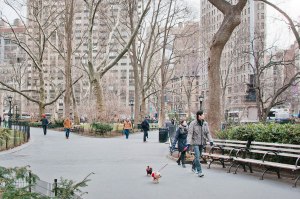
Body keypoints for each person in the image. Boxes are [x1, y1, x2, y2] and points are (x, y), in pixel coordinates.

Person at [187, 110, 213, 177]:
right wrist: (188, 142)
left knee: (198, 157)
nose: (204, 116)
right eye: (203, 115)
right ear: (199, 116)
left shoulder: (205, 123)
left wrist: (211, 140)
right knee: (197, 157)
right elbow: (190, 133)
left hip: (202, 142)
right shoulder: (193, 123)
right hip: (195, 143)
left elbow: (207, 133)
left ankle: (193, 167)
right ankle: (199, 171)